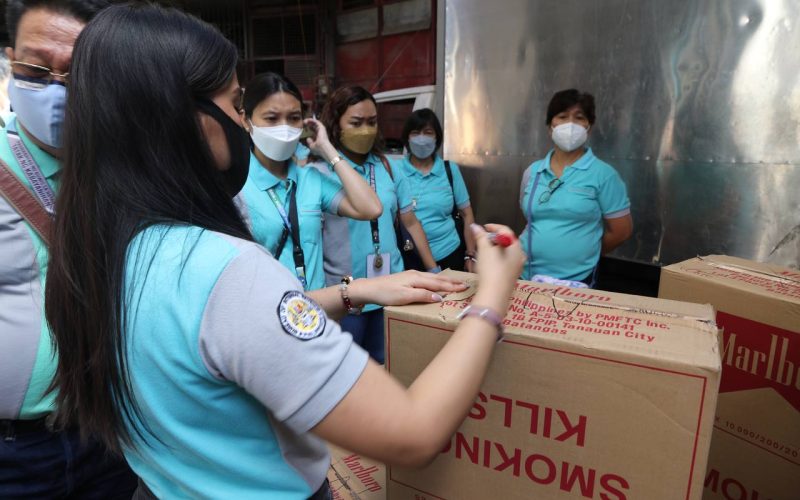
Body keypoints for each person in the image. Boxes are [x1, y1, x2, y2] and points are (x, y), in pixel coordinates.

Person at [44, 4, 524, 499]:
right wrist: (491, 296)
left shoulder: (99, 248)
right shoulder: (223, 268)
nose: (245, 123)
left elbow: (221, 333)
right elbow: (413, 433)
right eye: (237, 105)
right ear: (183, 118)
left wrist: (355, 291)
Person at [0, 1, 137, 497]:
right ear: (10, 60)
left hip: (113, 436)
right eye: (35, 70)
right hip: (13, 453)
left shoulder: (131, 174)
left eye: (76, 75)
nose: (56, 92)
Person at [312, 86, 438, 363]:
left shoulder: (388, 167)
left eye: (372, 122)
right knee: (347, 372)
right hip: (346, 295)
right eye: (356, 123)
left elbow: (410, 222)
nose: (366, 130)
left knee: (390, 365)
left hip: (392, 290)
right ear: (336, 125)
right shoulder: (320, 173)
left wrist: (433, 270)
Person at [238, 72, 381, 291]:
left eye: (294, 118)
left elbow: (371, 208)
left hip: (317, 306)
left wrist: (327, 149)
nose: (284, 127)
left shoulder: (311, 179)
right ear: (245, 120)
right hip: (270, 306)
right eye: (272, 118)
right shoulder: (237, 185)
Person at [519, 89, 632, 286]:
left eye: (579, 118)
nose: (570, 124)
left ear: (589, 127)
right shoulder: (533, 172)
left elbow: (621, 231)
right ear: (550, 127)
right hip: (524, 274)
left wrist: (586, 252)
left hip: (576, 281)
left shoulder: (604, 175)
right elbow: (530, 217)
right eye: (562, 116)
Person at [397, 108, 477, 272]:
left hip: (450, 253)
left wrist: (470, 254)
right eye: (415, 133)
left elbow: (467, 214)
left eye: (428, 133)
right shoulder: (396, 171)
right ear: (407, 138)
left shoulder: (449, 170)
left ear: (437, 137)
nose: (421, 139)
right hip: (408, 257)